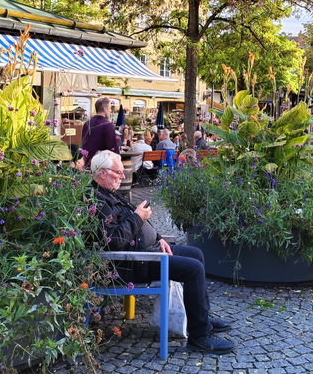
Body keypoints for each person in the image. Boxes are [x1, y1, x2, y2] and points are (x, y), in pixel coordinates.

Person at [90, 151, 234, 354]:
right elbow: (115, 241)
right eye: (118, 172)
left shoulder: (110, 193)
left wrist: (159, 239)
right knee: (193, 269)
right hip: (133, 262)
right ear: (102, 172)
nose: (123, 177)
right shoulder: (97, 202)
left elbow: (137, 224)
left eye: (123, 172)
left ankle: (201, 317)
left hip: (147, 250)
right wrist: (138, 217)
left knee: (196, 254)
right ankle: (199, 336)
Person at [80, 97, 119, 166]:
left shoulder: (87, 124)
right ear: (105, 109)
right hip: (101, 164)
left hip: (86, 162)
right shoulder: (108, 125)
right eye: (110, 108)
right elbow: (113, 149)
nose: (111, 111)